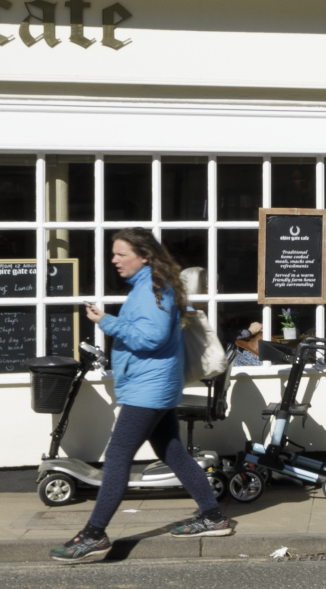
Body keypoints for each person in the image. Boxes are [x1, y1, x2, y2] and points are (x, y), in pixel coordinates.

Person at [52, 230, 230, 562]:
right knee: (172, 451)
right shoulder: (150, 287)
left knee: (117, 457)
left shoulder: (153, 289)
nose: (114, 260)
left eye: (121, 254)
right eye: (114, 254)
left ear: (144, 255)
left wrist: (108, 322)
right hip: (152, 386)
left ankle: (94, 535)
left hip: (148, 389)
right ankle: (213, 516)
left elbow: (152, 338)